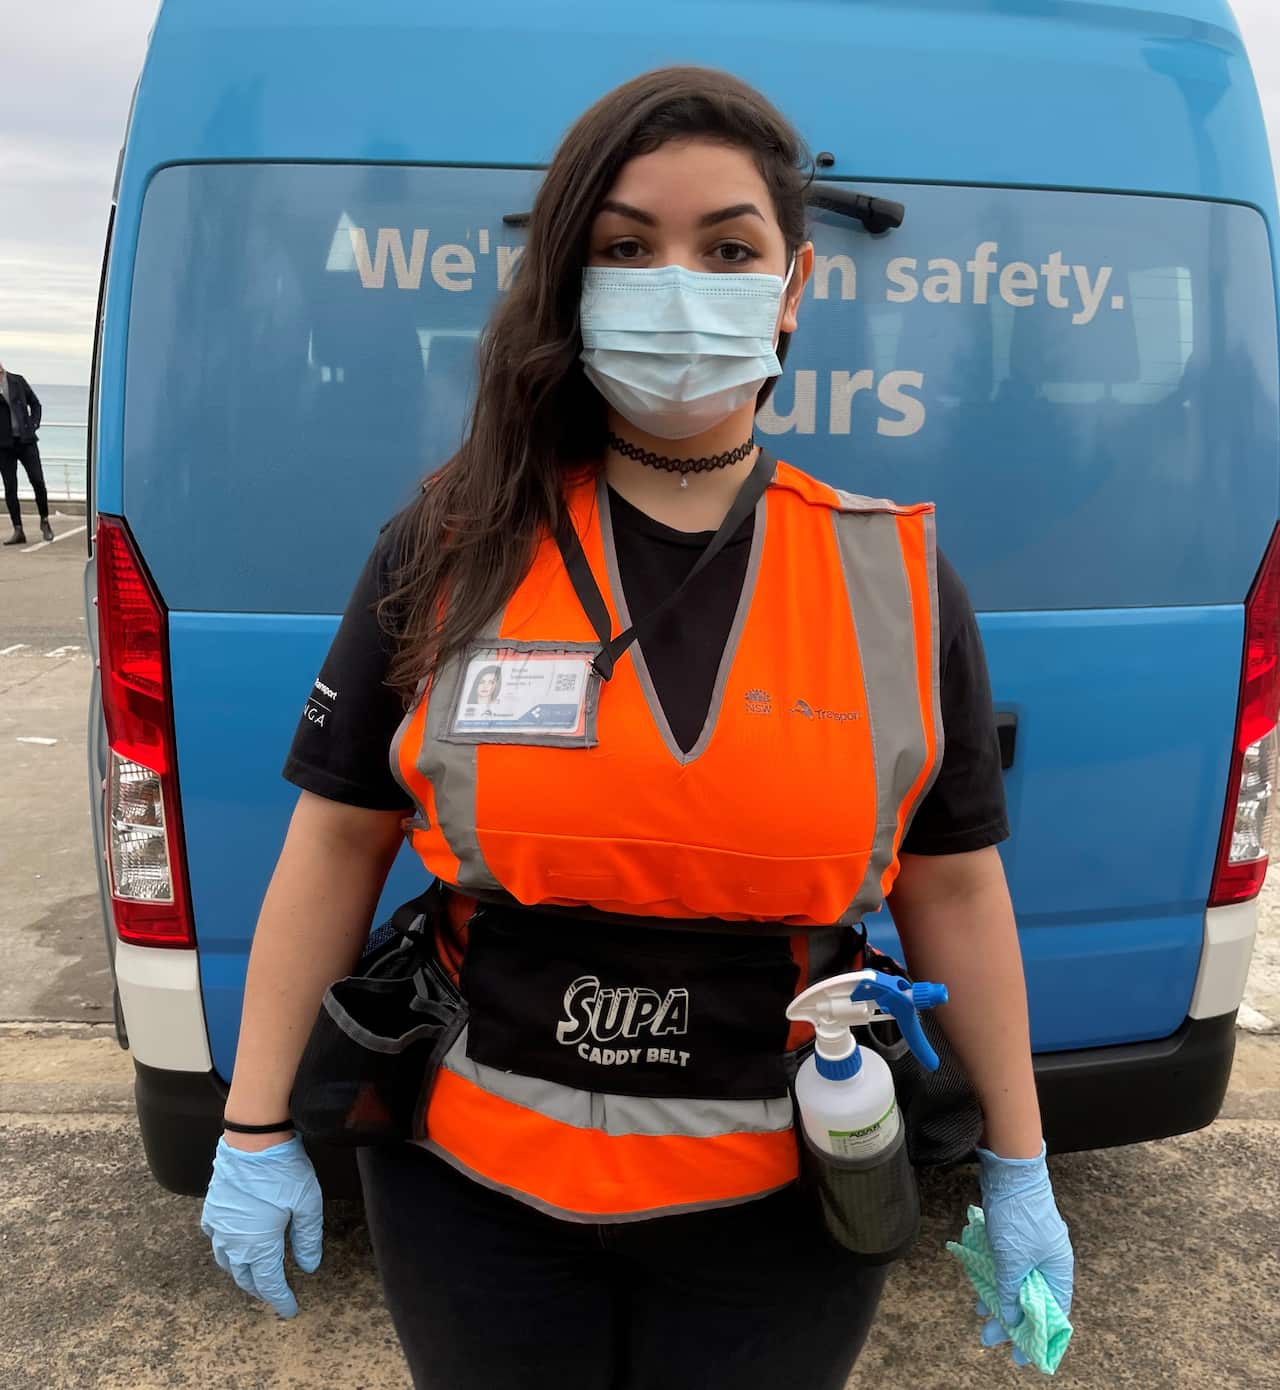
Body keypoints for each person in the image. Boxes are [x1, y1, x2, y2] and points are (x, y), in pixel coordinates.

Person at [200, 68, 1074, 1389]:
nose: (679, 280)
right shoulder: (449, 544)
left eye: (727, 247)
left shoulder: (890, 577)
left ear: (789, 291)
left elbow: (954, 880)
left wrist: (1020, 1162)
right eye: (625, 247)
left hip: (783, 1206)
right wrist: (252, 1123)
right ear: (572, 285)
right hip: (471, 1197)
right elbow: (334, 842)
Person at [0, 362, 53, 545]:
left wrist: (34, 424)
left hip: (26, 441)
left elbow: (36, 404)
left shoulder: (17, 381)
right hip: (4, 446)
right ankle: (18, 530)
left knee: (38, 481)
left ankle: (45, 521)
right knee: (10, 487)